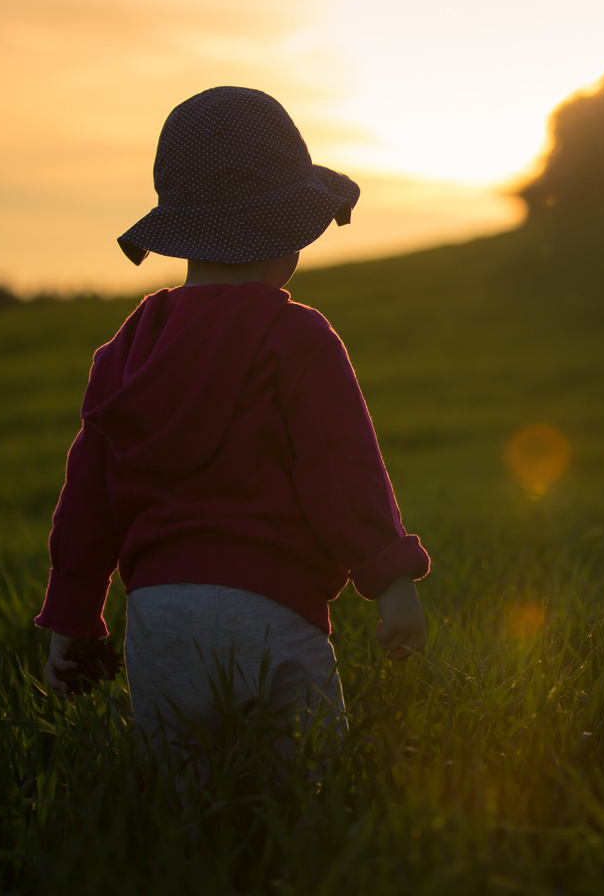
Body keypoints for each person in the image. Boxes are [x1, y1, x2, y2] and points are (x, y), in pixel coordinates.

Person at [34, 85, 429, 755]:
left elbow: (88, 499)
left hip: (157, 619)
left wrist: (73, 617)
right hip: (271, 612)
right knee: (306, 796)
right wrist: (391, 584)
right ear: (287, 235)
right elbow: (342, 473)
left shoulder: (126, 349)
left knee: (186, 815)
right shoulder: (296, 337)